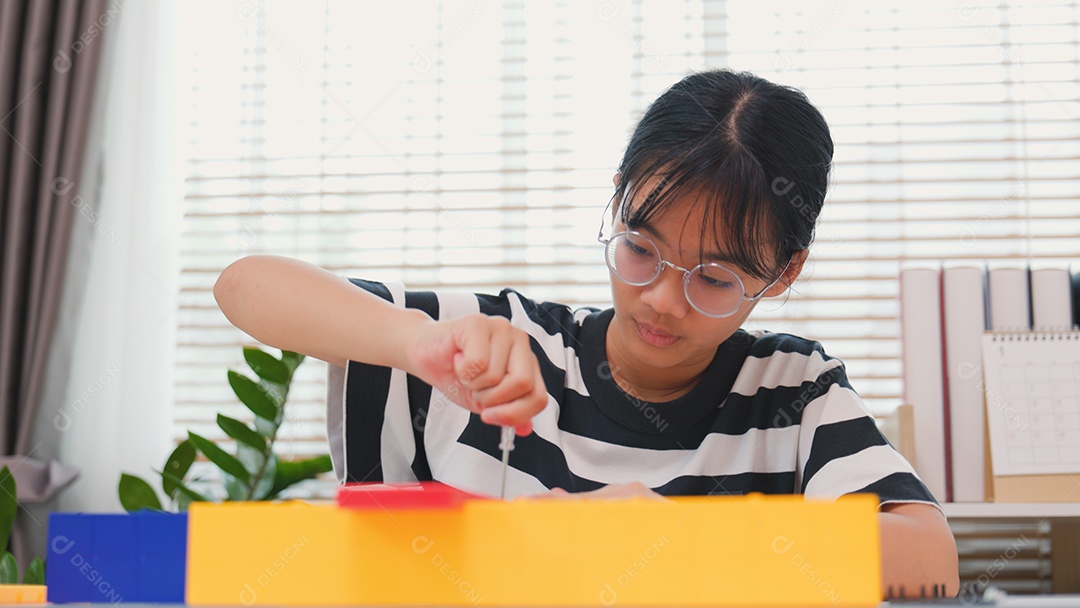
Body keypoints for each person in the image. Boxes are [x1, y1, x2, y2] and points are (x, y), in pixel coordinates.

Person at [214, 68, 959, 597]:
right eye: (641, 247)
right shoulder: (499, 344)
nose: (664, 300)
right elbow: (244, 286)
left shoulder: (791, 393)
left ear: (784, 272)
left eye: (715, 278)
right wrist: (417, 344)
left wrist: (674, 535)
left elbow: (928, 562)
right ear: (618, 202)